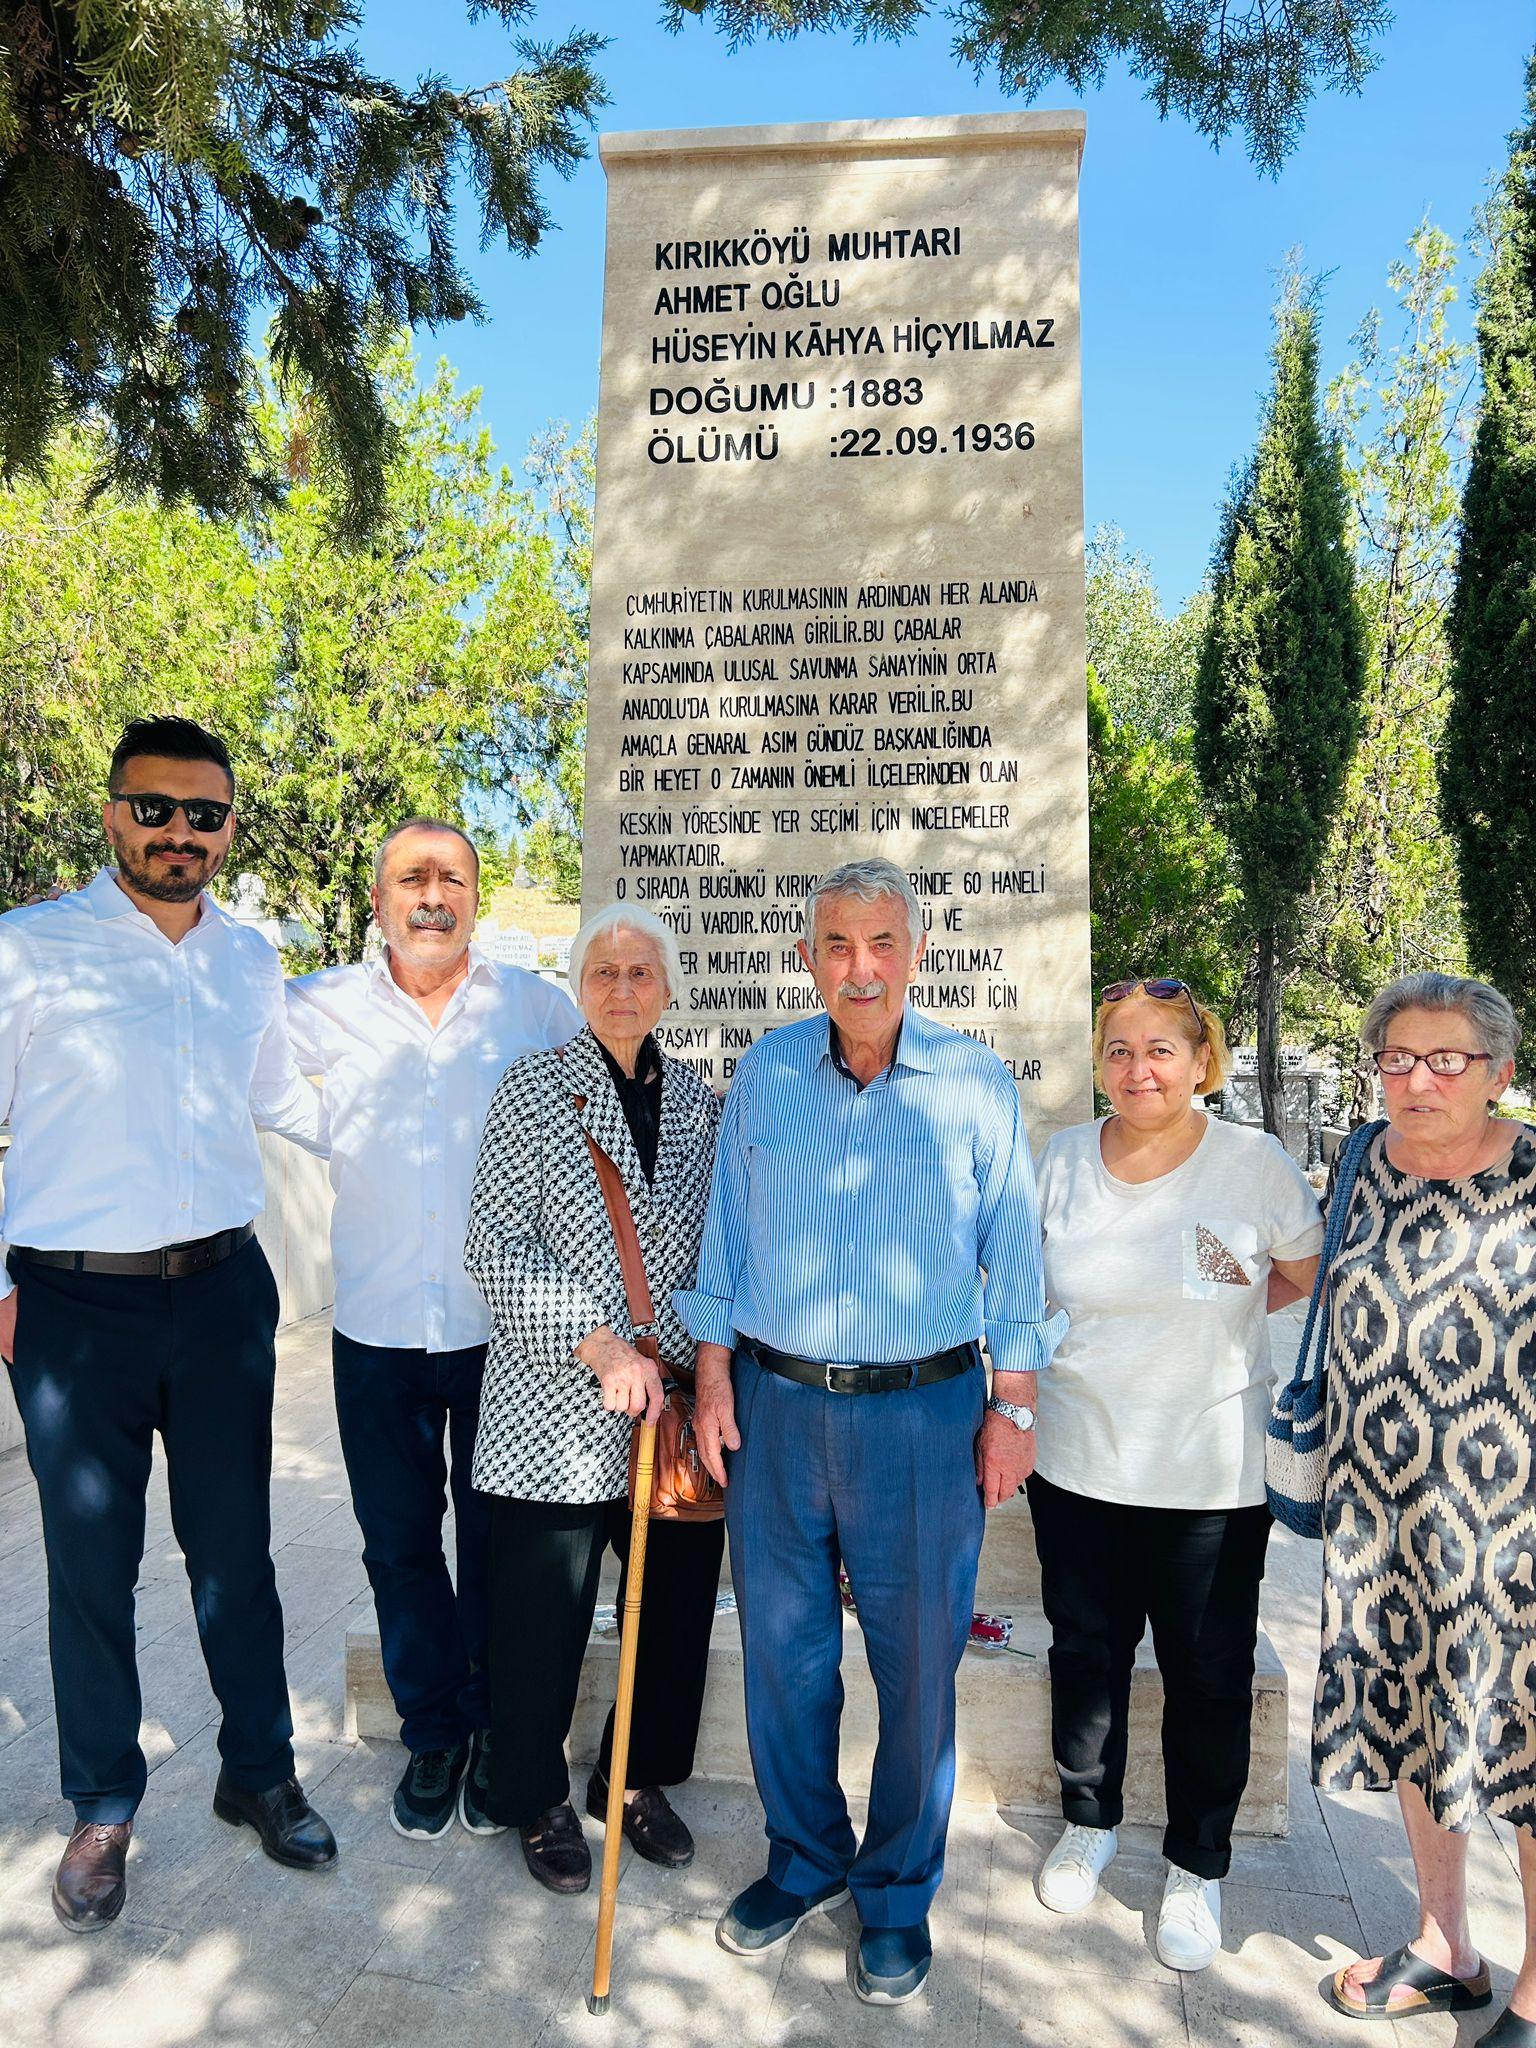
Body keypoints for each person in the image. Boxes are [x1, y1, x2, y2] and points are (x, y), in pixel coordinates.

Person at [680, 855, 1059, 2008]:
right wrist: (710, 1374)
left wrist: (1014, 1405)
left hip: (925, 1414)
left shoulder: (974, 1078)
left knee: (917, 1673)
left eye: (881, 943)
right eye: (837, 945)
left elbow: (1016, 1252)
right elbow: (727, 1235)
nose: (860, 967)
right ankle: (804, 1858)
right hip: (779, 1406)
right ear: (807, 957)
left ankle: (894, 1894)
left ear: (915, 954)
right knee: (785, 1662)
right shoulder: (764, 1070)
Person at [0, 716, 337, 1933]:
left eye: (205, 813)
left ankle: (260, 1770)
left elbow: (283, 1099)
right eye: (156, 807)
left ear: (228, 825)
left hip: (221, 1295)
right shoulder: (29, 950)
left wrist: (423, 1141)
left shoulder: (248, 958)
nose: (179, 832)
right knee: (90, 1565)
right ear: (112, 813)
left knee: (236, 1554)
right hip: (75, 1305)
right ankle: (102, 1803)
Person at [284, 820, 579, 1842]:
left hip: (502, 1332)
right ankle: (435, 1730)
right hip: (374, 1329)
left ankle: (498, 1724)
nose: (432, 894)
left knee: (497, 1541)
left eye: (452, 876)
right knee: (400, 1546)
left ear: (475, 896)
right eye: (411, 875)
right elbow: (238, 1071)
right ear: (379, 899)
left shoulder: (534, 1007)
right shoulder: (318, 1006)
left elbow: (590, 1114)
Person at [1027, 978, 1322, 1971]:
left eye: (1161, 1048)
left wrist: (1227, 1308)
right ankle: (1089, 1817)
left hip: (1209, 1473)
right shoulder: (1063, 1158)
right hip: (1076, 1458)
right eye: (1117, 1048)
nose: (1136, 1067)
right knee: (1086, 1650)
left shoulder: (1254, 1163)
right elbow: (1026, 1281)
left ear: (1204, 1059)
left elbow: (1305, 1265)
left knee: (1207, 1672)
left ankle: (1198, 1864)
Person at [464, 903, 724, 1894]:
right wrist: (601, 1340)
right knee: (541, 1615)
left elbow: (718, 1246)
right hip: (555, 1399)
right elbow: (493, 1243)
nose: (622, 985)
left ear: (668, 987)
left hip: (669, 1413)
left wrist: (705, 1366)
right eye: (604, 969)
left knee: (673, 1608)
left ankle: (631, 1777)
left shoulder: (700, 1099)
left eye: (640, 970)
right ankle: (531, 1793)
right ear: (580, 984)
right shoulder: (532, 1089)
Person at [1316, 974, 1536, 2045]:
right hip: (1381, 1515)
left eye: (1447, 1058)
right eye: (1398, 1058)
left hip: (1517, 1527)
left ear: (1499, 1069)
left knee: (1524, 1744)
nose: (1418, 1079)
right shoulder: (1359, 1166)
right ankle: (1445, 1940)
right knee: (1415, 1719)